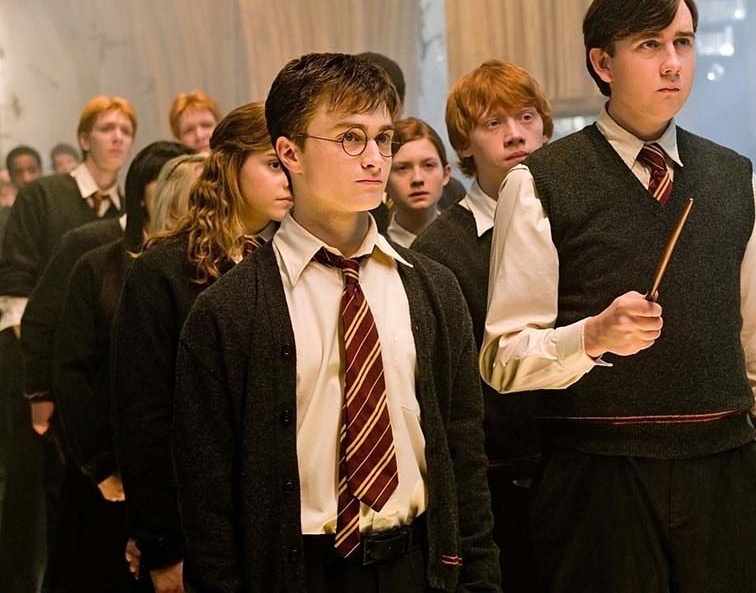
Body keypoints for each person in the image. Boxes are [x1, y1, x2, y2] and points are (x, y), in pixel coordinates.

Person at [480, 0, 756, 592]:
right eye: (649, 45)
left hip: (724, 474)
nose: (672, 63)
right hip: (597, 482)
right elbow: (502, 359)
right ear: (602, 62)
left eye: (683, 43)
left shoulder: (732, 177)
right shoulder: (539, 183)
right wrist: (591, 337)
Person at [173, 52, 498, 592]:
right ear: (289, 153)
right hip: (300, 568)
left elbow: (464, 453)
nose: (374, 158)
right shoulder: (228, 310)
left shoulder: (432, 289)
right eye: (350, 138)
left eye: (383, 138)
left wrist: (480, 578)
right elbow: (207, 496)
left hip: (416, 562)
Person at [111, 102, 290, 593]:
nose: (289, 181)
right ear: (230, 166)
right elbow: (144, 419)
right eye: (273, 165)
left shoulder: (297, 260)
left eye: (292, 165)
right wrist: (162, 545)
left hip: (286, 523)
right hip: (200, 523)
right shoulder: (164, 270)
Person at [412, 59, 551, 591]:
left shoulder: (572, 220)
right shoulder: (437, 252)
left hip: (586, 469)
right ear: (463, 145)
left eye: (526, 117)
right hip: (498, 480)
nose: (515, 135)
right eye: (494, 123)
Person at [47, 141, 198, 592]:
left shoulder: (209, 269)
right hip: (108, 470)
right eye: (168, 180)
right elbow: (72, 371)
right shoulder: (98, 264)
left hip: (175, 480)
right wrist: (100, 466)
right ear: (144, 194)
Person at [0, 95, 135, 592]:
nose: (117, 137)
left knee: (82, 496)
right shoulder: (44, 195)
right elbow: (17, 289)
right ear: (83, 138)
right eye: (106, 128)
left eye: (125, 129)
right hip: (32, 368)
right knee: (29, 489)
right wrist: (40, 381)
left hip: (90, 380)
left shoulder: (126, 211)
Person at [356, 51, 467, 212]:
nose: (375, 116)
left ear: (401, 105)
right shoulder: (347, 188)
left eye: (385, 104)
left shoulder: (448, 191)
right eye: (364, 107)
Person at [385, 118, 451, 247]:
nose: (417, 179)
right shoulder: (374, 249)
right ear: (384, 181)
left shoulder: (469, 242)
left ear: (445, 174)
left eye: (428, 165)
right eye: (402, 168)